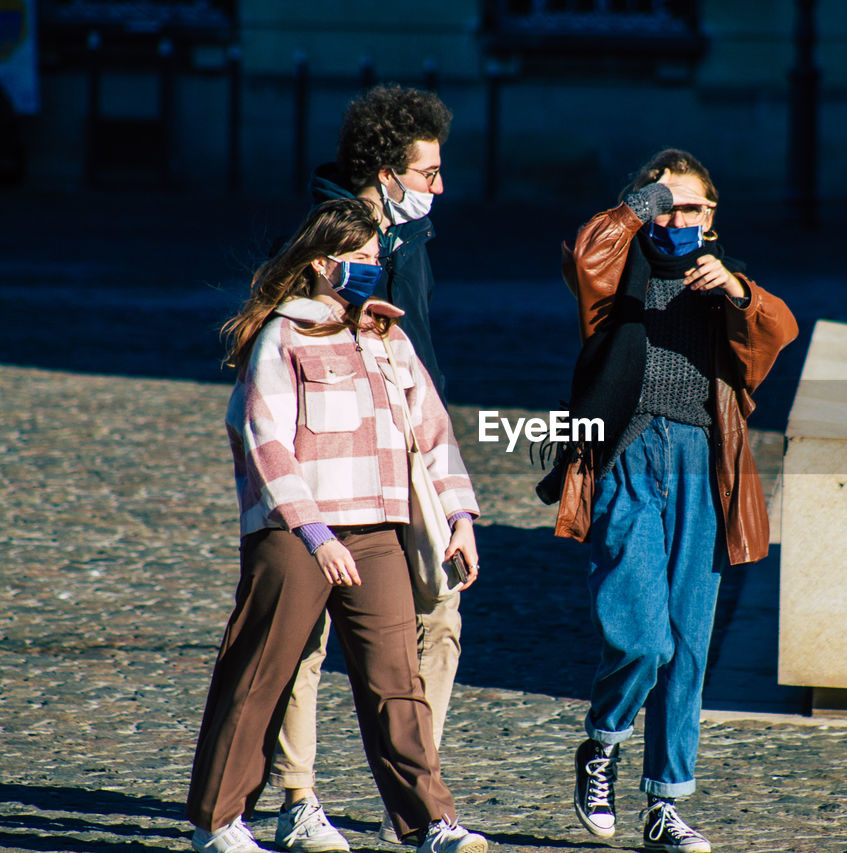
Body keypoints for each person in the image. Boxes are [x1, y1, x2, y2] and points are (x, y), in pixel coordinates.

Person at [186, 198, 487, 853]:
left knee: (396, 681)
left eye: (377, 259)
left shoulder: (387, 337)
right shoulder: (282, 335)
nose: (373, 270)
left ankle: (432, 821)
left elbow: (435, 433)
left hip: (377, 530)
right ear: (324, 264)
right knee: (264, 669)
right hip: (295, 535)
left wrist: (460, 515)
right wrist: (313, 533)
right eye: (361, 260)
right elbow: (264, 437)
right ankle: (218, 822)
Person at [546, 149, 798, 852]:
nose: (677, 219)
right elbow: (586, 254)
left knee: (688, 647)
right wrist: (642, 202)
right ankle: (602, 744)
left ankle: (666, 803)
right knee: (642, 636)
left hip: (702, 467)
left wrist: (739, 292)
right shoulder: (615, 275)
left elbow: (778, 333)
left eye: (692, 208)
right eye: (665, 206)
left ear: (713, 220)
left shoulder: (724, 287)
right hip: (628, 456)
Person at [271, 83, 460, 851]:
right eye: (426, 174)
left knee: (440, 610)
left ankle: (413, 791)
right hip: (327, 450)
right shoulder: (321, 236)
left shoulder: (412, 237)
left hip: (408, 448)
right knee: (306, 632)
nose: (439, 188)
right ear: (383, 175)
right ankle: (296, 797)